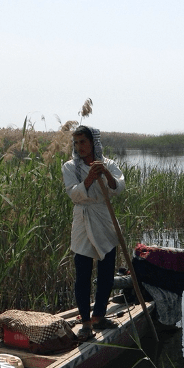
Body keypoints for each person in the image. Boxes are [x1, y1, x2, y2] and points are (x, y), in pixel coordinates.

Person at [61, 126, 125, 339]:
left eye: (83, 142)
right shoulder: (70, 167)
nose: (80, 147)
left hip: (104, 218)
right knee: (83, 274)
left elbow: (118, 188)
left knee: (106, 271)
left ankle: (99, 316)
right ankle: (86, 323)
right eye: (76, 143)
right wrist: (89, 178)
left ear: (93, 143)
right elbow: (74, 195)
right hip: (82, 220)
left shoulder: (108, 164)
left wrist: (104, 172)